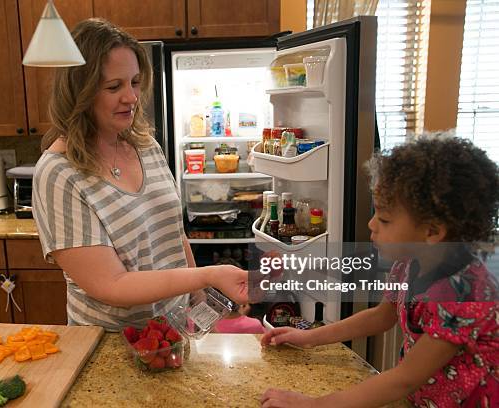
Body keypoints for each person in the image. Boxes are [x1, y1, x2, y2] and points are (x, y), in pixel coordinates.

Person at [32, 18, 248, 331]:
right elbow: (111, 285)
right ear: (79, 93)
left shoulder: (146, 146)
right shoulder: (59, 172)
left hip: (171, 331)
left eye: (134, 82)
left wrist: (199, 300)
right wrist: (209, 275)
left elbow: (175, 235)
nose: (132, 97)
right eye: (113, 86)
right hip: (109, 344)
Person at [260, 135, 499, 408]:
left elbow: (405, 379)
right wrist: (309, 337)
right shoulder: (409, 262)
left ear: (432, 231)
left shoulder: (464, 296)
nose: (371, 224)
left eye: (384, 219)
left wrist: (313, 405)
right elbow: (381, 316)